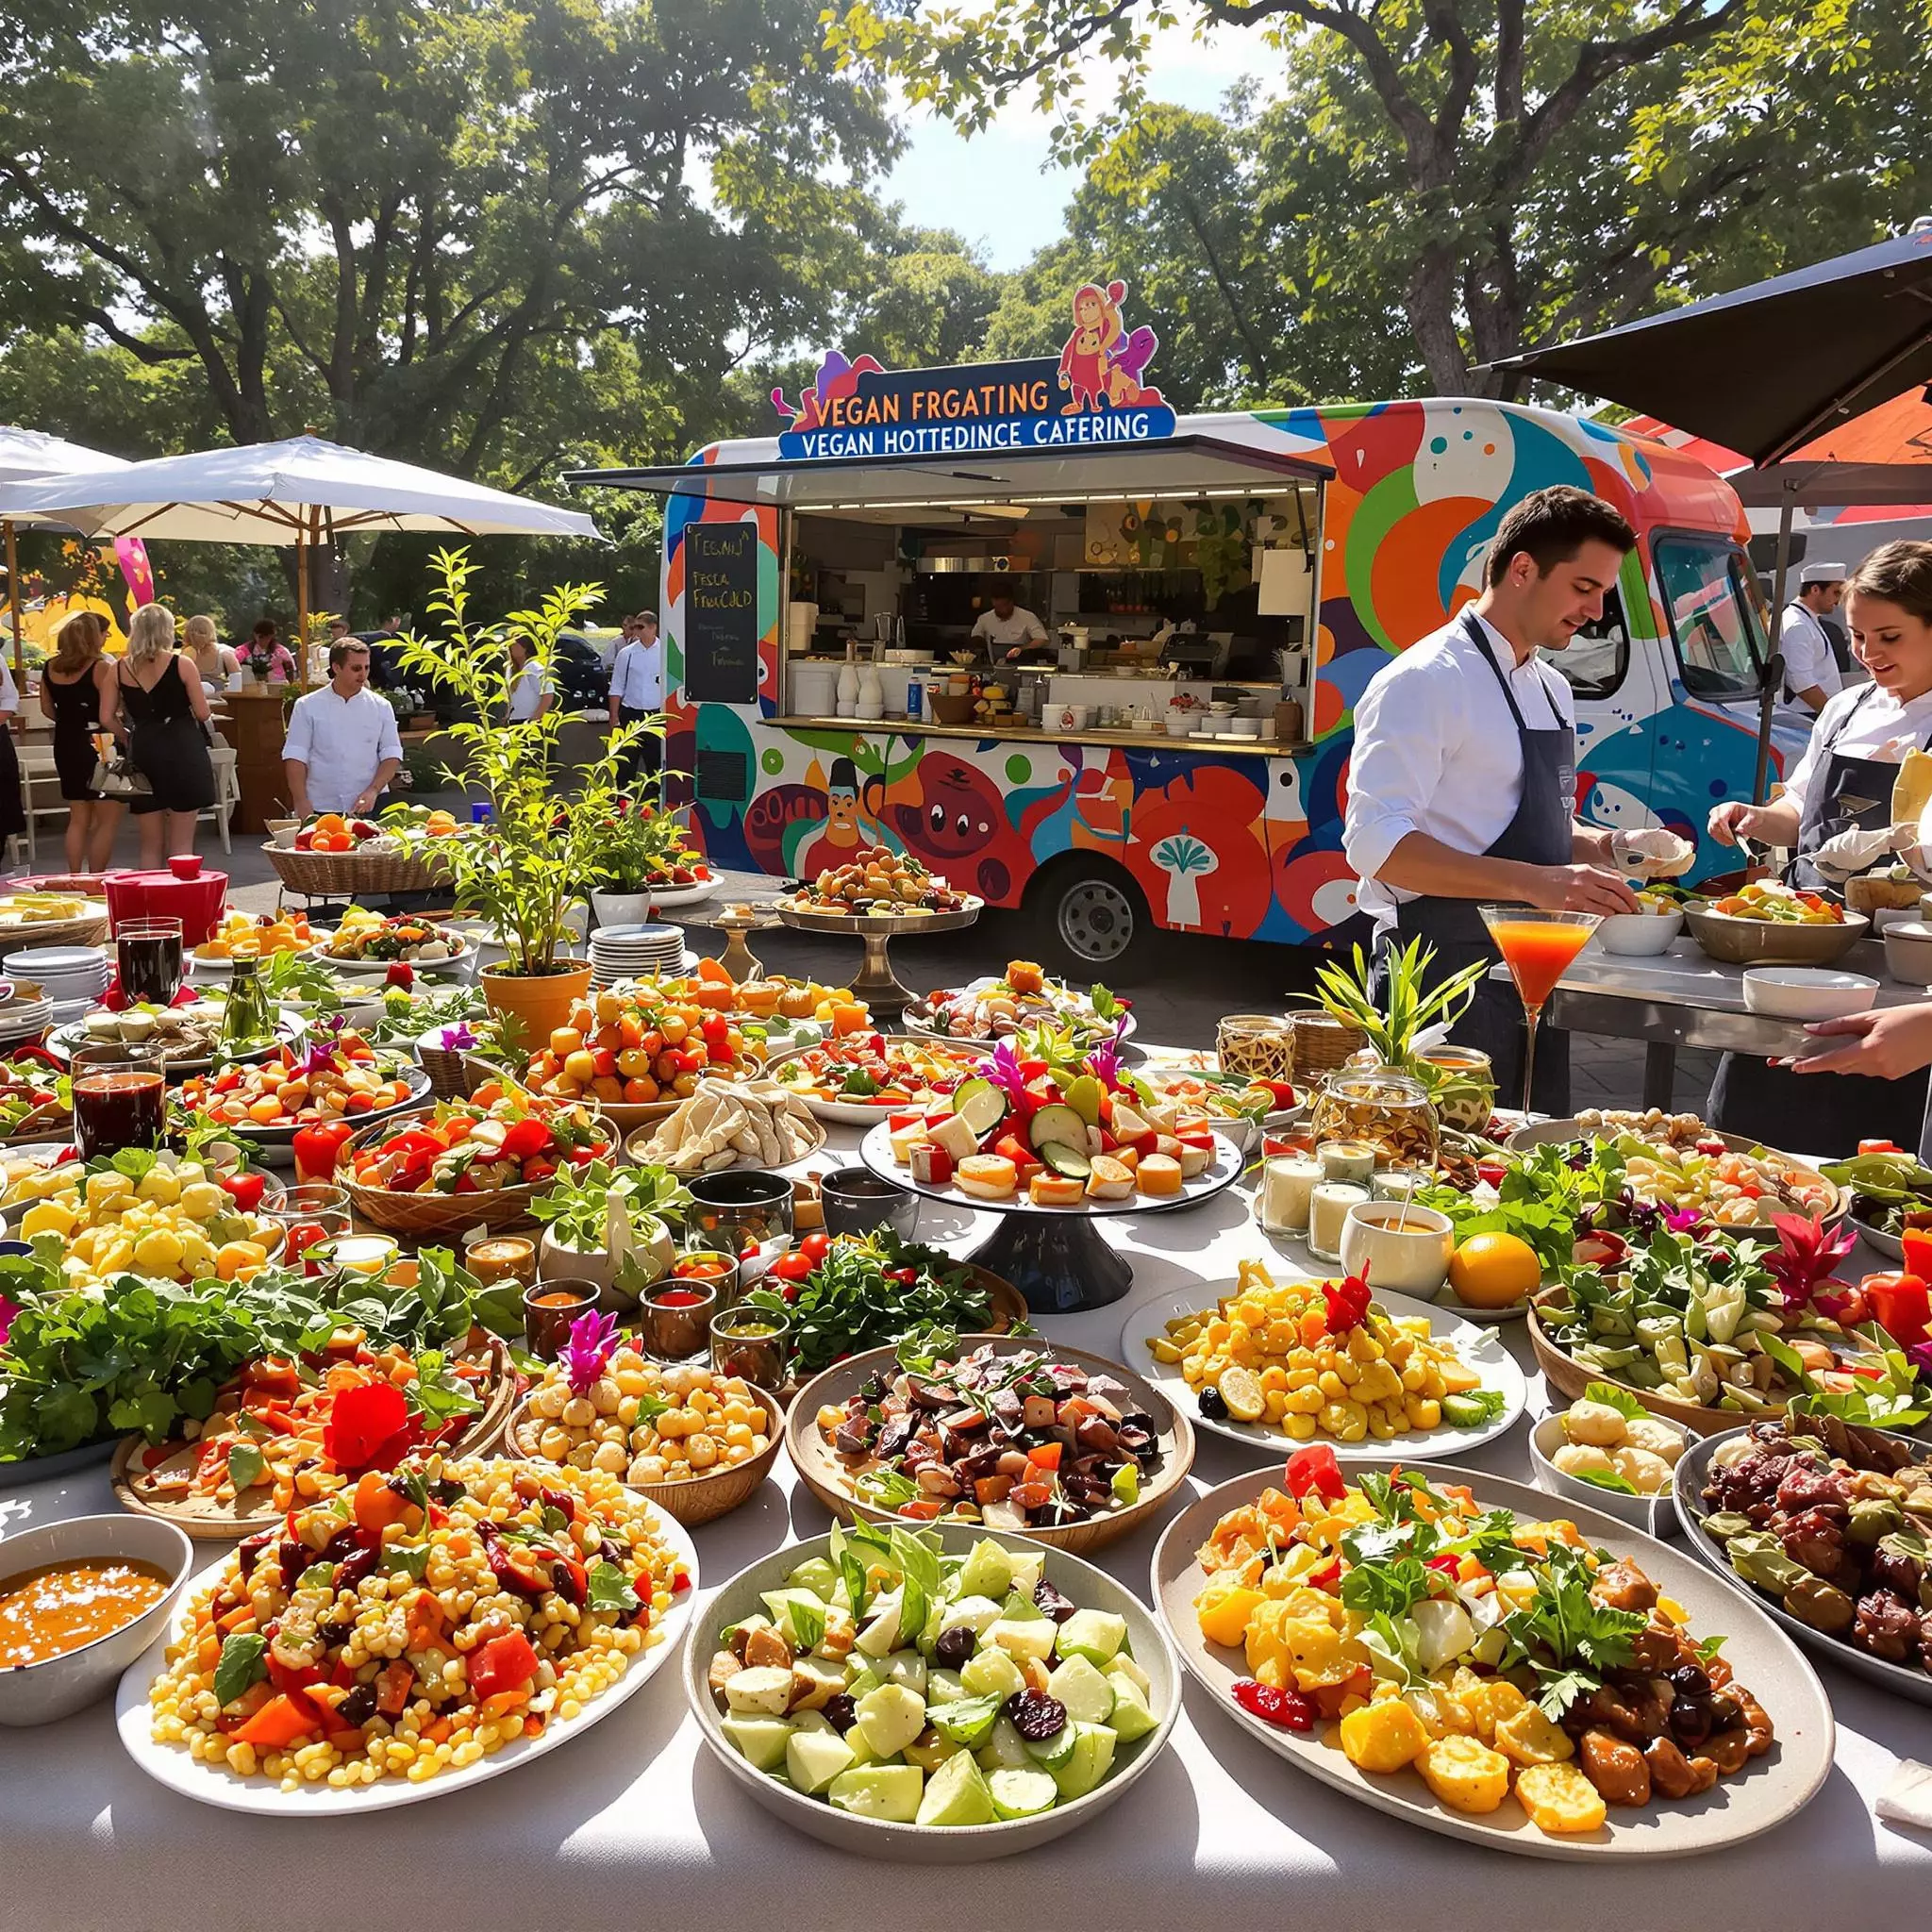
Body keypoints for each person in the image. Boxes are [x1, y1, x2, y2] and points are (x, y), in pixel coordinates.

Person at [1342, 485, 1643, 1113]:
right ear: (1523, 569)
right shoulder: (1424, 681)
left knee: (1531, 1164)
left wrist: (1614, 847)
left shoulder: (1553, 686)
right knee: (1434, 1183)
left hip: (1532, 972)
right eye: (1584, 588)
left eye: (1603, 596)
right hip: (1437, 979)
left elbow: (1528, 823)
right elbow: (1377, 844)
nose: (1595, 612)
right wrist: (1536, 884)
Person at [1706, 540, 1932, 1152]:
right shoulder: (1843, 709)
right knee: (1748, 1137)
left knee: (1863, 1155)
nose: (1868, 653)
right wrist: (1754, 818)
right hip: (1802, 957)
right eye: (1858, 636)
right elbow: (1800, 810)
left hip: (1899, 982)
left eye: (1889, 637)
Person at [100, 604, 215, 867]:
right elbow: (202, 713)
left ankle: (149, 903)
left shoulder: (118, 669)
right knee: (182, 842)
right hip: (183, 746)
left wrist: (126, 735)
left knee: (150, 844)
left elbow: (106, 716)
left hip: (144, 748)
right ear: (166, 630)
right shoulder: (182, 664)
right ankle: (179, 902)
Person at [38, 609, 123, 871]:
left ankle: (74, 874)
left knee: (77, 817)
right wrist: (125, 737)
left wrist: (69, 720)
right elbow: (109, 713)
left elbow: (46, 709)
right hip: (101, 744)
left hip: (65, 742)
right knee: (108, 818)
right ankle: (96, 877)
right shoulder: (101, 668)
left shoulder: (50, 667)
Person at [281, 639, 404, 819]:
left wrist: (373, 790)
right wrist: (300, 800)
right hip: (321, 805)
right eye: (356, 668)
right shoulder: (307, 706)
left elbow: (391, 754)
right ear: (336, 667)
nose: (363, 674)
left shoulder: (381, 706)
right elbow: (295, 756)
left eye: (366, 668)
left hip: (370, 804)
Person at [1778, 560, 1846, 716]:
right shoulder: (1798, 625)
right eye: (1836, 592)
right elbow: (1801, 682)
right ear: (1815, 589)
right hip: (1808, 715)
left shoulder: (1804, 618)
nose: (1838, 600)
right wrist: (1832, 717)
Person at [608, 609, 663, 779]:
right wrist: (613, 716)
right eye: (635, 627)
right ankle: (623, 801)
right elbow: (617, 686)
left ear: (653, 627)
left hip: (655, 715)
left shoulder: (665, 651)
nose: (637, 631)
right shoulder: (627, 653)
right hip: (631, 714)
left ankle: (653, 801)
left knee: (655, 763)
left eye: (641, 627)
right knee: (625, 762)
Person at [972, 589, 1049, 663]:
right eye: (999, 606)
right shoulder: (984, 619)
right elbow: (975, 637)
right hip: (993, 666)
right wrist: (981, 646)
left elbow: (1042, 640)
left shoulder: (1027, 616)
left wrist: (1021, 649)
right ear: (993, 602)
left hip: (1021, 665)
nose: (1003, 610)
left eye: (1005, 605)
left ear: (1011, 602)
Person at [183, 614, 241, 691]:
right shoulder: (185, 655)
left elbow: (237, 687)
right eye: (192, 633)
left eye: (201, 632)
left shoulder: (225, 654)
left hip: (220, 698)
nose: (196, 636)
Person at [507, 634, 552, 723]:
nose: (511, 646)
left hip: (528, 721)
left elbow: (548, 694)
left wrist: (535, 719)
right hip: (513, 720)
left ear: (525, 648)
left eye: (515, 644)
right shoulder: (511, 669)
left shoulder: (533, 667)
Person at [248, 618, 297, 685]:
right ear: (255, 634)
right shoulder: (247, 651)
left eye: (267, 637)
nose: (264, 640)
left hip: (279, 688)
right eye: (261, 637)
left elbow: (292, 673)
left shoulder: (282, 652)